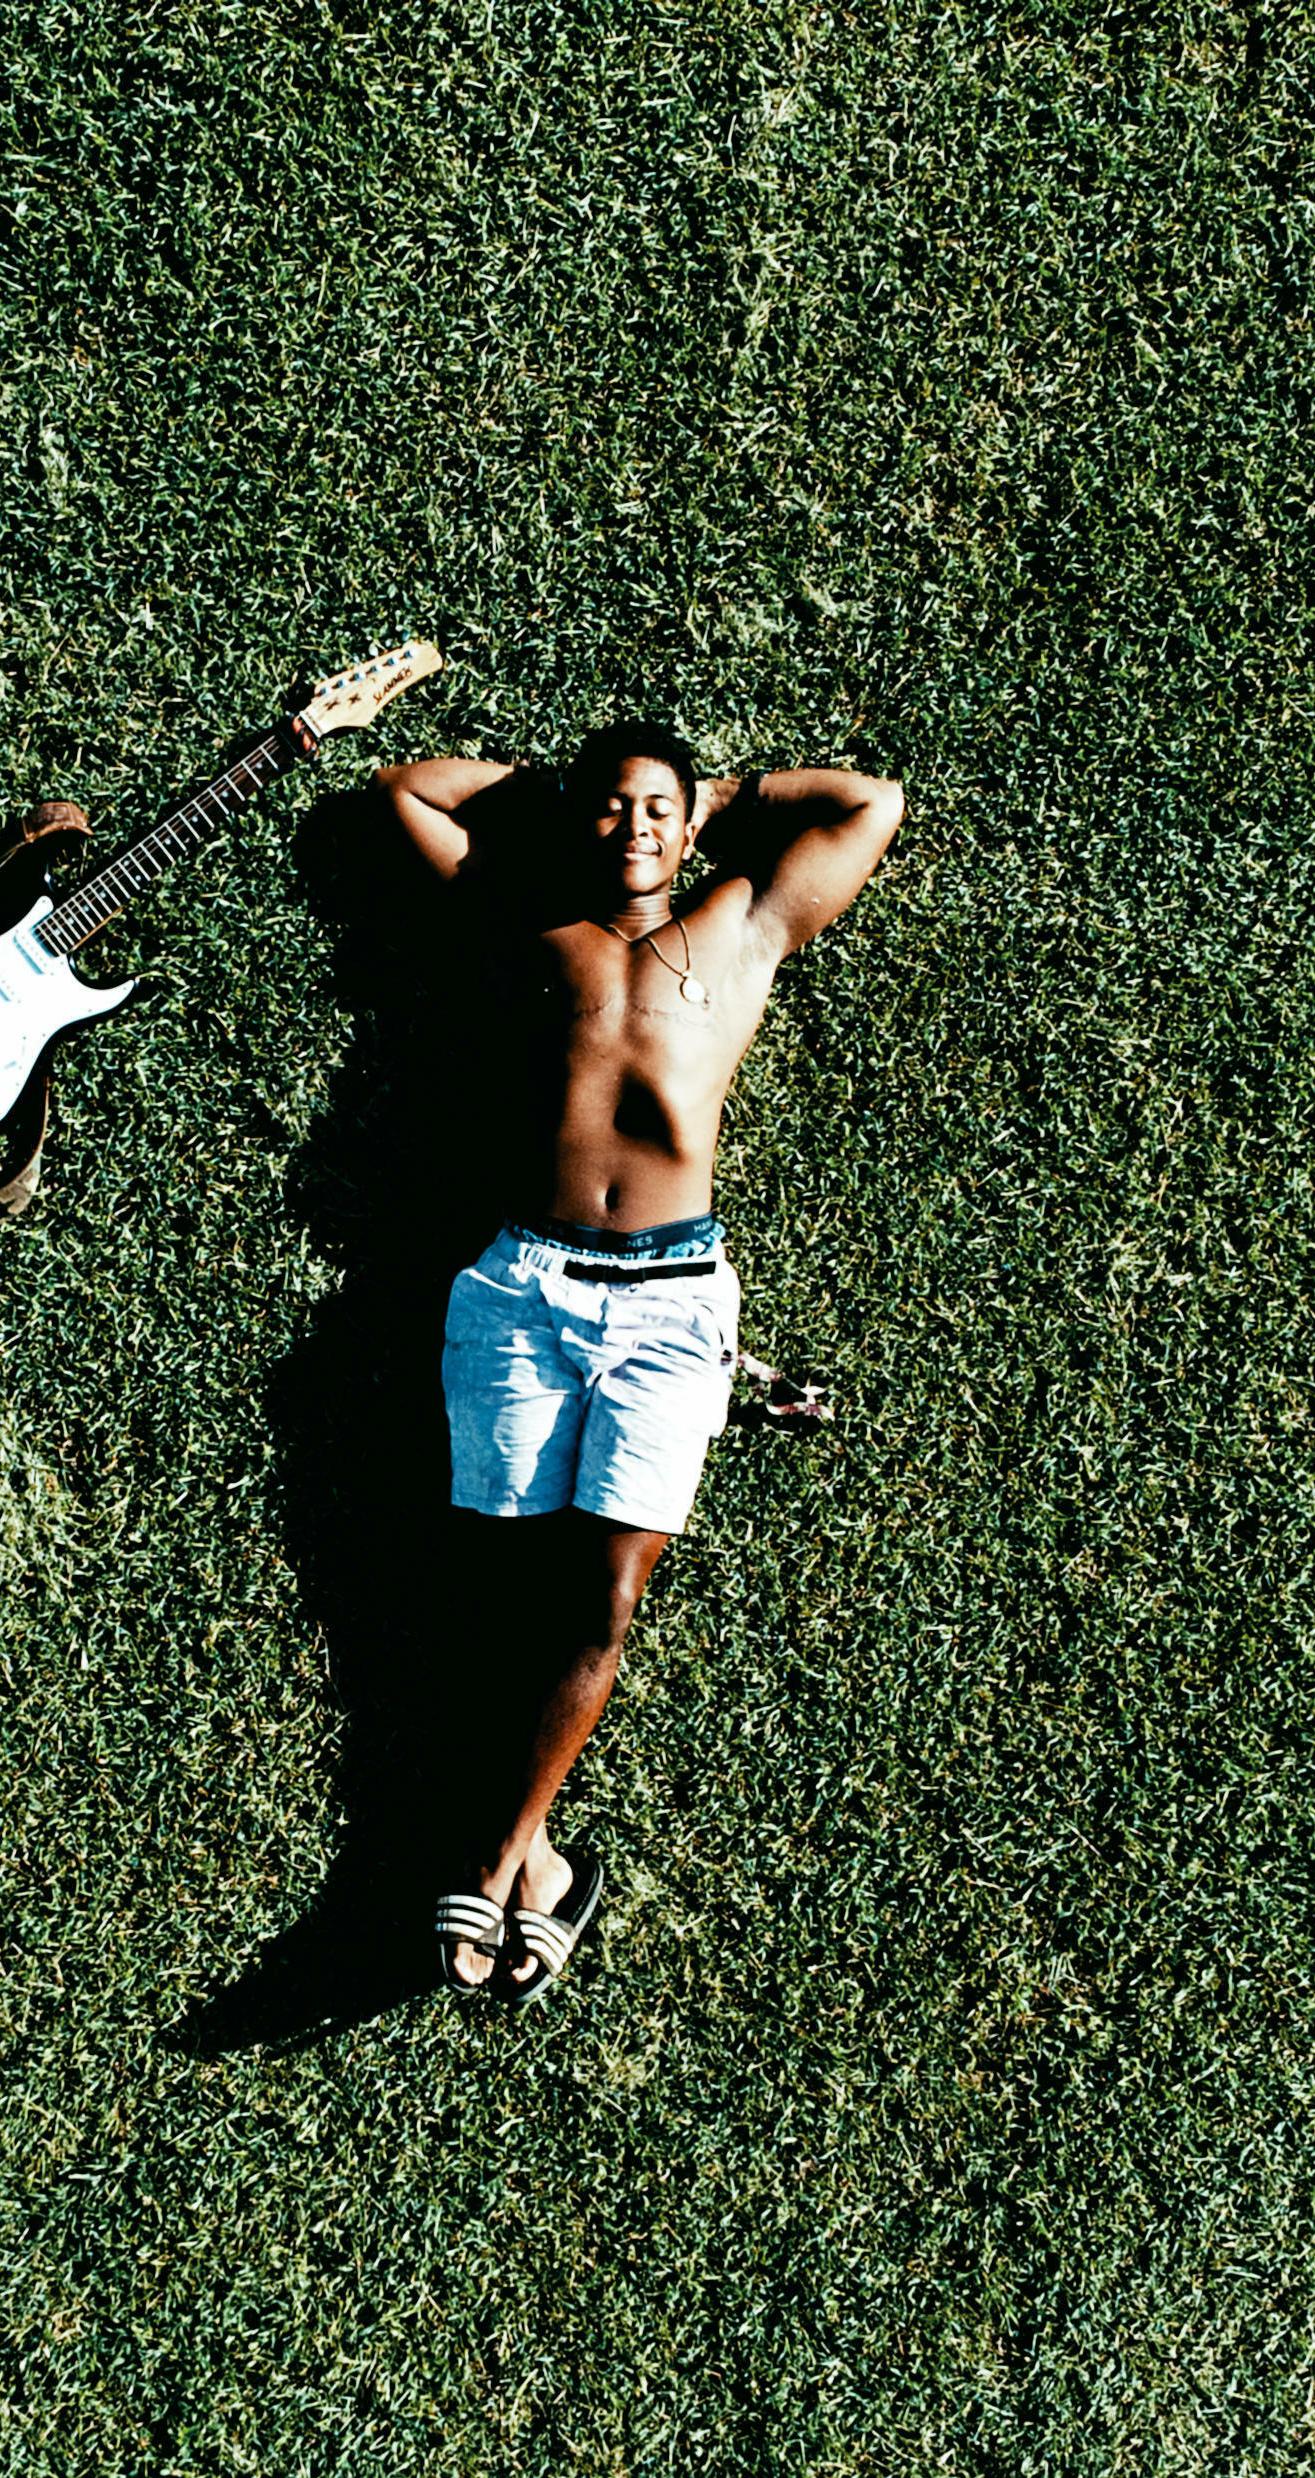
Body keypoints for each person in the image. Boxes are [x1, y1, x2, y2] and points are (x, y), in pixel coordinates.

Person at [374, 721, 905, 1997]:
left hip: (671, 1301)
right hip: (524, 1285)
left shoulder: (741, 925)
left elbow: (870, 804)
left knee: (602, 1598)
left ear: (691, 824)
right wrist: (557, 795)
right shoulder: (524, 922)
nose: (635, 828)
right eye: (613, 808)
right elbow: (406, 793)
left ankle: (495, 1855)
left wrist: (721, 793)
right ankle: (546, 1862)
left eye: (657, 810)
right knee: (503, 1593)